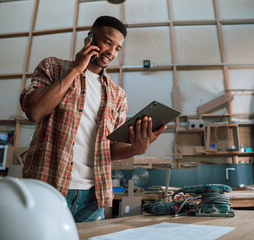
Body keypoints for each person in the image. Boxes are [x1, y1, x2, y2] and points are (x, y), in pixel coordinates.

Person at [20, 16, 166, 222]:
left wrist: (137, 147)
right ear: (90, 38)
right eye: (107, 42)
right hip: (48, 186)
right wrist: (76, 70)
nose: (111, 52)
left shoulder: (118, 95)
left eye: (117, 48)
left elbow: (111, 149)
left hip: (92, 197)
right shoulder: (53, 67)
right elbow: (34, 111)